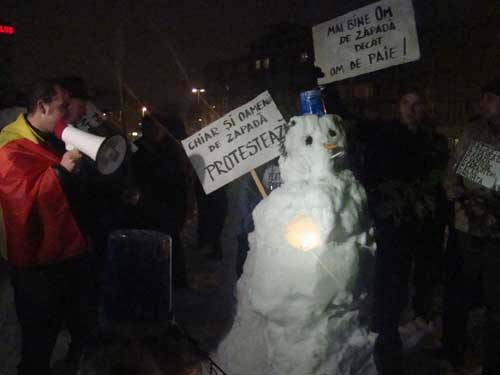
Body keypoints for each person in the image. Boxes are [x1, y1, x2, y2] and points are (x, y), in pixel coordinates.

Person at [0, 79, 97, 375]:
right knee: (38, 339)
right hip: (34, 263)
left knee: (79, 321)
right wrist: (61, 172)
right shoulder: (10, 142)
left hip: (64, 252)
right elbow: (19, 198)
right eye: (62, 106)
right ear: (42, 106)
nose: (68, 112)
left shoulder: (50, 137)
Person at [363, 87, 448, 374]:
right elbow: (372, 178)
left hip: (425, 225)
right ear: (397, 107)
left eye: (417, 103)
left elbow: (439, 179)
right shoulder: (383, 137)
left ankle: (422, 323)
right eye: (406, 102)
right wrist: (387, 203)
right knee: (391, 283)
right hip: (395, 225)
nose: (412, 108)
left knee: (425, 277)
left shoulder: (434, 140)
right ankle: (387, 344)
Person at [441, 76, 500, 375]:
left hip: (495, 234)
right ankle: (454, 351)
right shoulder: (473, 131)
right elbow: (451, 177)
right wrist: (463, 200)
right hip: (466, 228)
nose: (483, 104)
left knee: (495, 302)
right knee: (458, 294)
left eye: (490, 99)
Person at [129, 115, 189, 288]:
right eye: (146, 128)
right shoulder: (137, 148)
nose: (151, 132)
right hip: (147, 207)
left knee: (172, 244)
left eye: (155, 128)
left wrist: (183, 208)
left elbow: (180, 180)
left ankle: (177, 282)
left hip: (170, 206)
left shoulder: (172, 148)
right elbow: (133, 175)